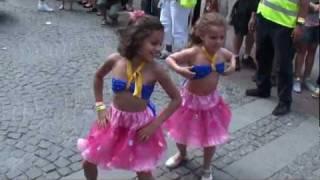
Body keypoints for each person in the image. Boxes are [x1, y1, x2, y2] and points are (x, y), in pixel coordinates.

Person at [77, 12, 181, 180]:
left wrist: (155, 125)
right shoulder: (116, 60)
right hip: (113, 121)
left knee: (143, 172)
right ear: (137, 39)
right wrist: (100, 106)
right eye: (153, 43)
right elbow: (98, 77)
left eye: (160, 44)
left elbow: (177, 99)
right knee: (88, 162)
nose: (158, 48)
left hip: (140, 126)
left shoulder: (156, 70)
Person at [164, 12, 235, 180]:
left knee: (210, 137)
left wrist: (232, 65)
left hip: (211, 102)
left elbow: (232, 56)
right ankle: (182, 154)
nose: (218, 41)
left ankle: (206, 167)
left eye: (221, 37)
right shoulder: (194, 52)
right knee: (180, 131)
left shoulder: (221, 52)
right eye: (213, 37)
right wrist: (180, 69)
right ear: (202, 36)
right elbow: (170, 59)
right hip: (190, 101)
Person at [245, 0, 309, 116]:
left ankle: (284, 101)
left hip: (285, 25)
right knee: (262, 56)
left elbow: (304, 3)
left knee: (283, 65)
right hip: (264, 16)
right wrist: (254, 15)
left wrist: (300, 25)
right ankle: (263, 88)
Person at [293, 0, 320, 93]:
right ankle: (297, 79)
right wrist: (312, 5)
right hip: (305, 22)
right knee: (301, 51)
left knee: (312, 50)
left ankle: (306, 79)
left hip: (317, 23)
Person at [230, 0, 259, 71]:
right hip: (244, 3)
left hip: (258, 3)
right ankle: (235, 56)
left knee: (252, 29)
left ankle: (246, 56)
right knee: (239, 29)